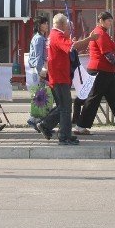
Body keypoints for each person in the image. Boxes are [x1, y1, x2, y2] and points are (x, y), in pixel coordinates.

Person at [36, 14, 95, 145]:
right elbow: (71, 47)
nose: (68, 27)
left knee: (63, 106)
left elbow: (67, 47)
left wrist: (70, 40)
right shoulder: (57, 36)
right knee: (65, 108)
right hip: (60, 77)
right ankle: (63, 136)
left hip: (58, 76)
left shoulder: (53, 35)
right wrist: (90, 38)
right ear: (63, 25)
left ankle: (47, 125)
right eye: (67, 25)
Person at [75, 12, 115, 134]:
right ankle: (81, 126)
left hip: (106, 71)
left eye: (111, 20)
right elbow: (107, 54)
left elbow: (113, 50)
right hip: (100, 70)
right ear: (101, 20)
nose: (111, 23)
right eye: (108, 20)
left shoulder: (104, 33)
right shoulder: (99, 33)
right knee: (94, 99)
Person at [26, 16, 50, 130]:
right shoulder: (39, 38)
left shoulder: (39, 38)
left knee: (40, 95)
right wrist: (41, 72)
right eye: (44, 23)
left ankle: (37, 119)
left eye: (47, 23)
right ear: (39, 25)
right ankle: (34, 119)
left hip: (38, 70)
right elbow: (38, 57)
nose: (46, 25)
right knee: (40, 95)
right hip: (40, 70)